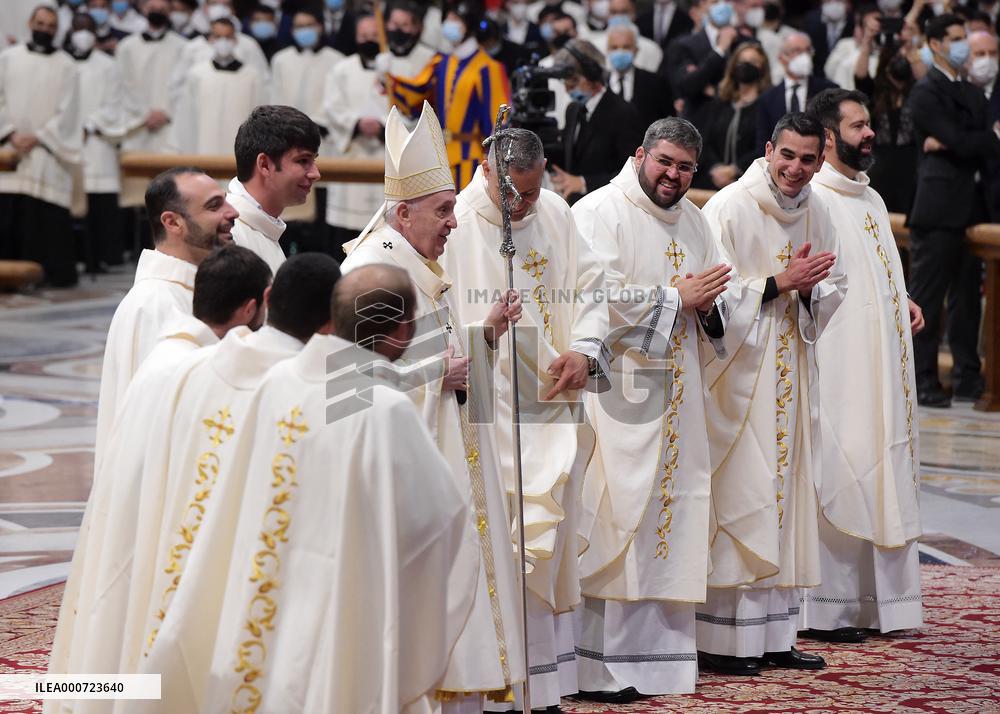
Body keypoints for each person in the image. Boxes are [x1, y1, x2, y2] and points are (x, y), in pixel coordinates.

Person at [137, 265, 474, 714]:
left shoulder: (279, 380)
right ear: (404, 328)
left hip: (264, 581)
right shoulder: (385, 409)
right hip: (341, 603)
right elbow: (438, 526)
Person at [342, 101, 528, 713]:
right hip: (406, 468)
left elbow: (437, 357)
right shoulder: (370, 268)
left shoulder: (417, 261)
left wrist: (485, 335)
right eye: (443, 210)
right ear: (402, 211)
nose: (454, 223)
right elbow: (345, 386)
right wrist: (435, 371)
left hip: (445, 447)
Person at [43, 246, 271, 714]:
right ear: (251, 308)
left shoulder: (169, 354)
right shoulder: (199, 369)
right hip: (159, 529)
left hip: (133, 520)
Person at [571, 118, 749, 702]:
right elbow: (589, 299)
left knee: (677, 508)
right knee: (617, 512)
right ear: (640, 153)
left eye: (685, 168)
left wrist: (705, 304)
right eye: (665, 162)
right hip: (619, 396)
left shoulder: (696, 219)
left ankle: (663, 662)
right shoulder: (599, 212)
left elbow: (718, 297)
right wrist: (677, 297)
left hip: (681, 393)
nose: (673, 176)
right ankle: (601, 662)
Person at [115, 254, 339, 700]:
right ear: (331, 322)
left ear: (272, 300)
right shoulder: (323, 388)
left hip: (189, 548)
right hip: (276, 566)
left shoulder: (193, 364)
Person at [442, 127, 612, 712]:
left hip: (551, 391)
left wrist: (587, 351)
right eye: (517, 194)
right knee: (502, 529)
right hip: (486, 402)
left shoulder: (555, 212)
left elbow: (592, 287)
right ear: (488, 172)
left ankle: (546, 679)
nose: (528, 205)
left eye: (536, 192)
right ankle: (496, 679)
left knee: (551, 527)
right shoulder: (454, 222)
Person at [698, 112, 847, 676]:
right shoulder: (732, 207)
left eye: (809, 160)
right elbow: (711, 296)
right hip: (739, 376)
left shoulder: (820, 208)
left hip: (792, 366)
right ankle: (722, 639)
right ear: (768, 149)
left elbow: (835, 285)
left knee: (785, 497)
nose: (796, 169)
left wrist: (809, 292)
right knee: (743, 494)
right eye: (788, 156)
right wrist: (781, 284)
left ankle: (776, 637)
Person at [802, 87, 924, 643]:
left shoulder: (870, 198)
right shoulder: (814, 200)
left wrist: (902, 302)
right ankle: (833, 609)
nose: (869, 133)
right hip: (841, 364)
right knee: (844, 466)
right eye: (857, 126)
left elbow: (877, 271)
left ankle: (886, 606)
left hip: (886, 364)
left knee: (887, 463)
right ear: (828, 139)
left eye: (869, 123)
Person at [93, 168, 238, 470]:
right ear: (173, 222)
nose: (232, 212)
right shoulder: (155, 305)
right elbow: (158, 424)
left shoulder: (189, 290)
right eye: (214, 206)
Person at [906, 14, 1000, 406]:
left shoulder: (971, 91)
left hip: (971, 209)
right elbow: (964, 140)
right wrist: (985, 138)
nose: (962, 45)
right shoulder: (926, 91)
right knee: (927, 299)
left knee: (966, 301)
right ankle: (922, 378)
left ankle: (967, 376)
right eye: (956, 38)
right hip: (939, 208)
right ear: (935, 43)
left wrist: (963, 141)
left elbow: (965, 141)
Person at [383, 0, 511, 189]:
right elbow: (417, 94)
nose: (449, 22)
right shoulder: (440, 63)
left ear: (470, 23)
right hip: (439, 156)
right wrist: (387, 77)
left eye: (455, 18)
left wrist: (494, 161)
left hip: (473, 159)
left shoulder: (488, 68)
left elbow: (498, 121)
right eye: (448, 17)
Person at [0, 5, 82, 288]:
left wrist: (39, 136)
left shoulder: (67, 65)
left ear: (57, 29)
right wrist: (10, 132)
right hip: (11, 153)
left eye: (50, 25)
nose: (44, 29)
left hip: (47, 152)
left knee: (43, 218)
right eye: (40, 23)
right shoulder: (8, 59)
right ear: (29, 23)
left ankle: (48, 276)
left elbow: (69, 111)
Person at [225, 105, 321, 275]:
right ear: (265, 165)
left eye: (313, 161)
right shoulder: (227, 235)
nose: (316, 174)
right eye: (303, 160)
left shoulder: (265, 227)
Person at [67, 12, 129, 270]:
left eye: (88, 28)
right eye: (79, 28)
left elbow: (115, 102)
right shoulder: (63, 63)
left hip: (97, 140)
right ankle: (77, 256)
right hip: (66, 142)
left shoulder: (108, 65)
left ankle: (102, 256)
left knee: (99, 204)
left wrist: (90, 123)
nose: (83, 33)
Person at [323, 14, 388, 251]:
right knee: (346, 236)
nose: (368, 39)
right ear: (355, 38)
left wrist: (382, 126)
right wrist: (357, 123)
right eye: (363, 35)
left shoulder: (395, 69)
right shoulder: (341, 69)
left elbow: (409, 110)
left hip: (385, 155)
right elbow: (331, 107)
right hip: (352, 153)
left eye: (373, 35)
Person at [550, 38, 644, 203]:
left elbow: (632, 172)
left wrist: (584, 182)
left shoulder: (623, 112)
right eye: (565, 83)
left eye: (573, 83)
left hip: (607, 206)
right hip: (574, 205)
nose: (567, 89)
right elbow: (569, 155)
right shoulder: (573, 109)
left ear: (593, 75)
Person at [115, 0, 187, 209]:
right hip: (137, 127)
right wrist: (143, 114)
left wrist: (166, 113)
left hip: (169, 126)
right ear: (144, 10)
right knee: (135, 195)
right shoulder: (127, 47)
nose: (157, 12)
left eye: (162, 9)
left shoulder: (182, 47)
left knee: (171, 196)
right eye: (153, 8)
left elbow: (184, 87)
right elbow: (122, 85)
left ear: (170, 12)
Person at [170, 18, 269, 156]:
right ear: (211, 39)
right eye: (218, 36)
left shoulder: (252, 76)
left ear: (236, 40)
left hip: (240, 155)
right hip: (202, 151)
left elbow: (260, 120)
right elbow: (186, 119)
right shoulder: (197, 75)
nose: (223, 41)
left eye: (228, 37)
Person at [696, 41, 772, 189]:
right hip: (712, 179)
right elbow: (705, 140)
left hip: (750, 181)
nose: (746, 65)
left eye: (753, 62)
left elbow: (763, 146)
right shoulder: (720, 102)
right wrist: (716, 168)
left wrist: (733, 170)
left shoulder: (767, 104)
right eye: (742, 61)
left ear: (763, 68)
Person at [755, 32, 838, 150]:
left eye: (808, 50)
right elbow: (762, 142)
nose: (804, 56)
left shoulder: (829, 91)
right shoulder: (768, 99)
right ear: (782, 58)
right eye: (797, 51)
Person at [666, 0, 741, 120]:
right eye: (714, 2)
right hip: (700, 120)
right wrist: (720, 50)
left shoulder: (746, 42)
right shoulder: (684, 45)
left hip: (736, 118)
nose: (721, 5)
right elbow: (688, 86)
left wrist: (715, 91)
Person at [605, 21, 675, 130]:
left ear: (636, 50)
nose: (620, 52)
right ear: (608, 50)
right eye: (614, 47)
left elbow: (669, 123)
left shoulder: (656, 83)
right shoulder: (598, 82)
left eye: (626, 47)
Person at [967, 31, 1000, 223]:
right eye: (980, 54)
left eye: (993, 53)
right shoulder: (954, 92)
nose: (987, 59)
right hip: (963, 198)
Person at [804, 0, 856, 78]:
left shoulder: (855, 22)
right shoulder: (811, 20)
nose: (833, 2)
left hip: (844, 76)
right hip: (816, 75)